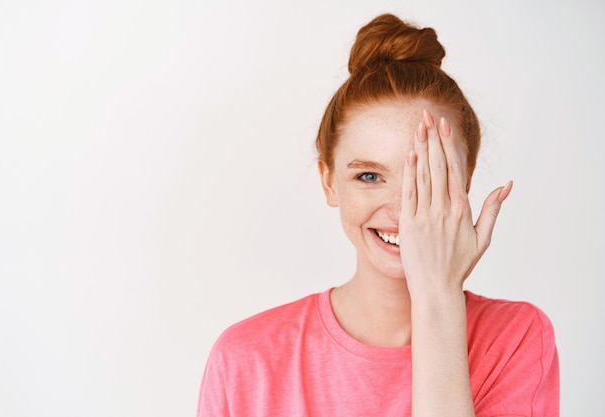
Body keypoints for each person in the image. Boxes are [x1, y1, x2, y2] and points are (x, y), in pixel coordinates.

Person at [197, 13, 559, 417]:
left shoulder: (516, 339)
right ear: (329, 181)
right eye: (369, 175)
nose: (403, 210)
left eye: (427, 174)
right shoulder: (245, 361)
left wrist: (438, 294)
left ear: (465, 179)